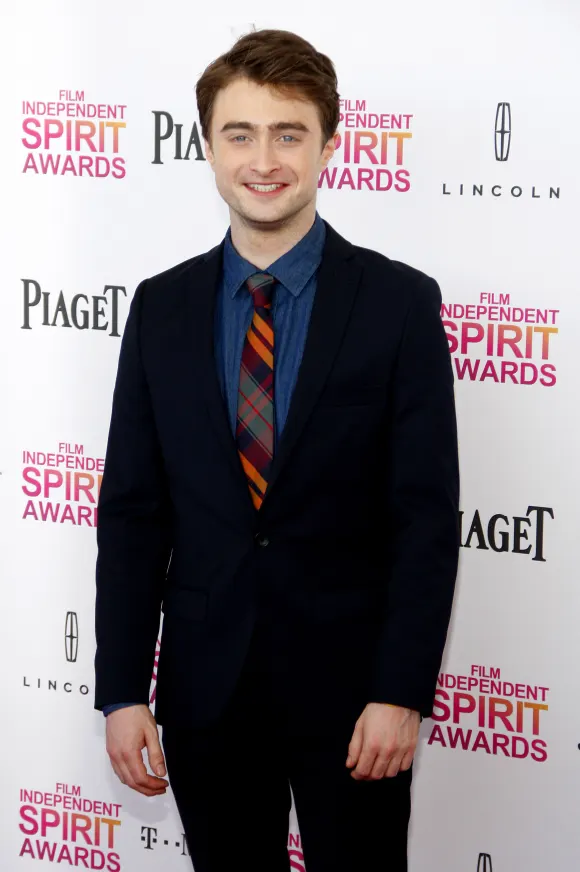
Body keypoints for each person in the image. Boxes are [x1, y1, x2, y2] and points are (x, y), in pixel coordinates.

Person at [94, 27, 460, 872]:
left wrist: (401, 691)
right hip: (205, 693)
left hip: (355, 699)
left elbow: (425, 518)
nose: (265, 159)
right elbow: (134, 514)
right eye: (241, 133)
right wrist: (121, 690)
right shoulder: (161, 309)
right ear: (209, 146)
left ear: (329, 144)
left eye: (289, 132)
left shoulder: (398, 305)